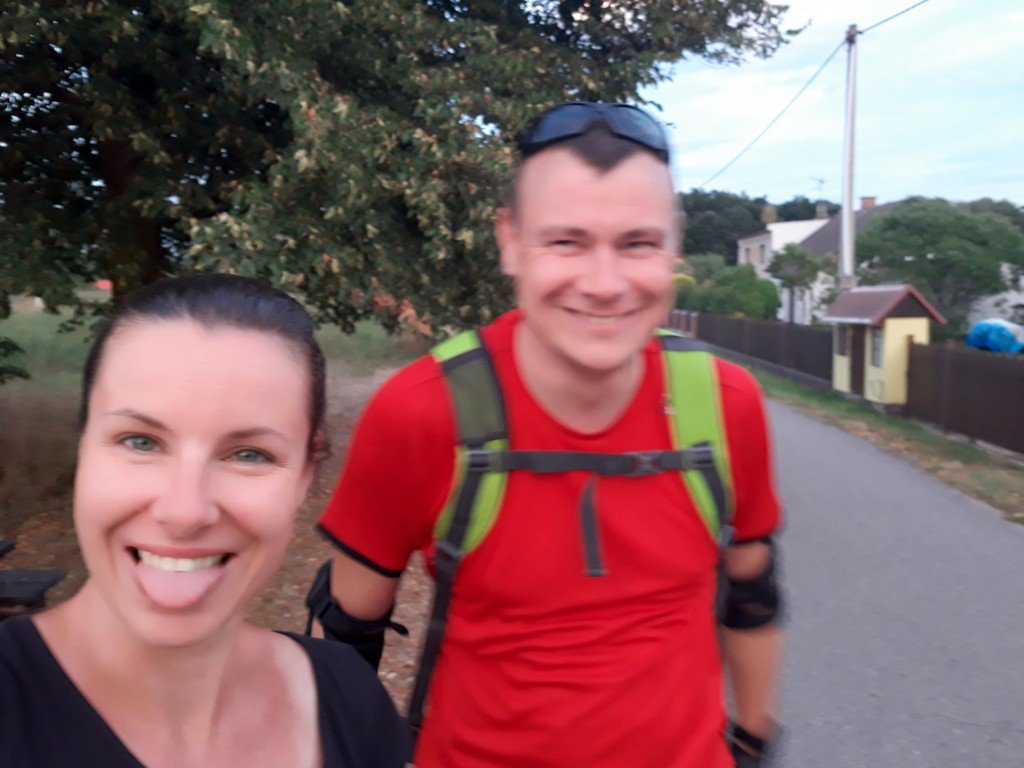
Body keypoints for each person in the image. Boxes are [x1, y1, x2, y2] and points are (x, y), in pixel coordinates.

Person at [312, 103, 785, 767]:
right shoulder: (422, 413)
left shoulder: (724, 404)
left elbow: (753, 595)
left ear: (674, 247)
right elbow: (344, 632)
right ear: (510, 241)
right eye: (567, 242)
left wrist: (753, 745)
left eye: (637, 243)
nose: (604, 285)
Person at [0, 275, 411, 767]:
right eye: (140, 442)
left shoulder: (348, 695)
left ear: (306, 474)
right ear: (83, 447)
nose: (185, 512)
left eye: (249, 454)